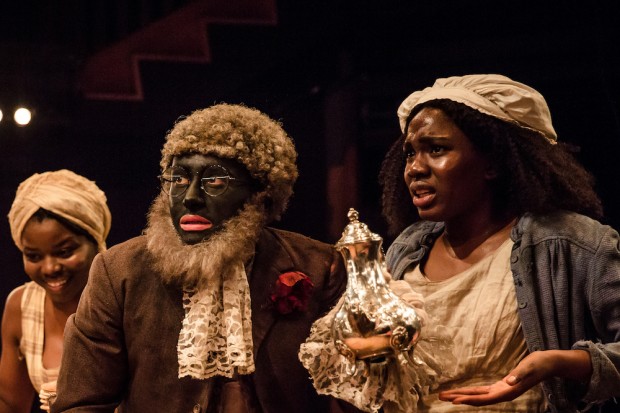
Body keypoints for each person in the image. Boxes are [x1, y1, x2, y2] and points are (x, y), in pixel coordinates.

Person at [51, 103, 362, 413]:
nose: (191, 197)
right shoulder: (119, 271)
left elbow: (356, 394)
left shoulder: (318, 266)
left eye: (215, 180)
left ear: (259, 192)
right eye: (178, 179)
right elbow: (81, 404)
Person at [376, 74, 620, 411]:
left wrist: (560, 363)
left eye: (436, 149)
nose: (415, 168)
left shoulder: (570, 243)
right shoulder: (405, 252)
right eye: (409, 153)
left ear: (492, 162)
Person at [0, 169, 112, 413]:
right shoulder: (21, 306)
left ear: (96, 241)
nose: (50, 268)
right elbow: (9, 403)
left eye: (65, 252)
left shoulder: (125, 301)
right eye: (34, 256)